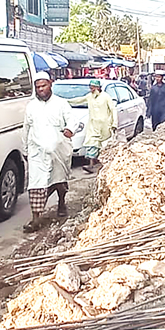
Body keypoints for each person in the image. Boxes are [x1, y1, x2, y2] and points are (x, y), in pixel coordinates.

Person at [23, 72, 76, 231]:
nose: (40, 89)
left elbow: (71, 120)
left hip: (58, 151)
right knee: (36, 185)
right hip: (37, 152)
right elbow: (26, 128)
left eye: (43, 86)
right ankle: (35, 219)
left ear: (50, 84)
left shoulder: (61, 103)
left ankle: (61, 203)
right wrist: (25, 149)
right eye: (38, 87)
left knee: (59, 182)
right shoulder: (31, 106)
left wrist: (69, 129)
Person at [67, 80, 116, 173]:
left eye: (93, 87)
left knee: (103, 145)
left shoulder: (106, 97)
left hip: (105, 126)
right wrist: (66, 101)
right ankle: (91, 165)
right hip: (93, 125)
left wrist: (114, 124)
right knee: (92, 143)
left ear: (98, 87)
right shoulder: (90, 97)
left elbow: (113, 110)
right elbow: (78, 100)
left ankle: (104, 165)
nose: (91, 89)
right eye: (90, 87)